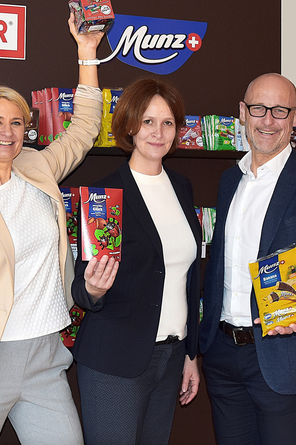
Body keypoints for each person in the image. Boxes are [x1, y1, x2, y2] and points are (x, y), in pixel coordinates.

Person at [0, 13, 108, 445]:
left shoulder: (37, 167)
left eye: (16, 123)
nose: (7, 132)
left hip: (47, 357)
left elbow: (85, 129)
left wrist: (87, 52)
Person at [198, 73, 296, 445]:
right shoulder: (231, 180)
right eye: (259, 108)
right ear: (242, 113)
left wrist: (293, 295)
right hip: (222, 354)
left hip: (282, 352)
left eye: (280, 110)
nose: (268, 120)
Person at [71, 78, 201, 445]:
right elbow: (82, 288)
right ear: (129, 125)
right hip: (115, 360)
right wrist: (93, 289)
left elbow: (187, 278)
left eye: (167, 123)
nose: (158, 133)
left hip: (171, 356)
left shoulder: (182, 187)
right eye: (147, 121)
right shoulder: (104, 195)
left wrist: (191, 355)